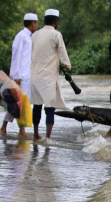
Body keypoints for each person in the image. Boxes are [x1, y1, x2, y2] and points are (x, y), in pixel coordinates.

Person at [29, 8, 71, 143]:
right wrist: (66, 65)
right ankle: (47, 137)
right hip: (48, 77)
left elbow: (32, 54)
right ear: (56, 21)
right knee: (49, 107)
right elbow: (63, 53)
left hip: (35, 75)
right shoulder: (56, 35)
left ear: (44, 20)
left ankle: (36, 135)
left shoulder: (34, 35)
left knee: (36, 105)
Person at [0, 13, 38, 137]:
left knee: (18, 103)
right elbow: (15, 56)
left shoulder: (29, 37)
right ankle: (21, 131)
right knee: (19, 103)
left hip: (26, 76)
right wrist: (16, 75)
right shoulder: (21, 36)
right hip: (20, 76)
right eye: (37, 23)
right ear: (32, 23)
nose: (37, 25)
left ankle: (4, 128)